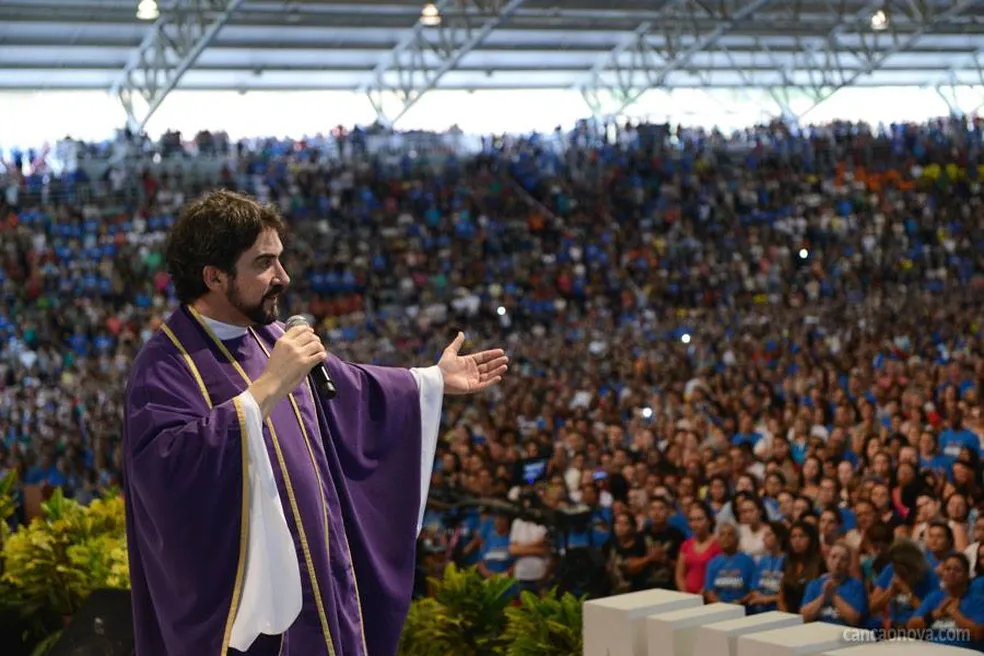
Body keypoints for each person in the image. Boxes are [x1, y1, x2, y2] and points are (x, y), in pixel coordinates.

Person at [122, 190, 508, 656]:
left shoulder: (272, 335)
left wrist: (431, 381)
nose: (283, 277)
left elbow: (352, 390)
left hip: (322, 581)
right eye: (264, 263)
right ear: (214, 276)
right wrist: (263, 392)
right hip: (250, 613)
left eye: (281, 260)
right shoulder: (165, 365)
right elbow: (165, 476)